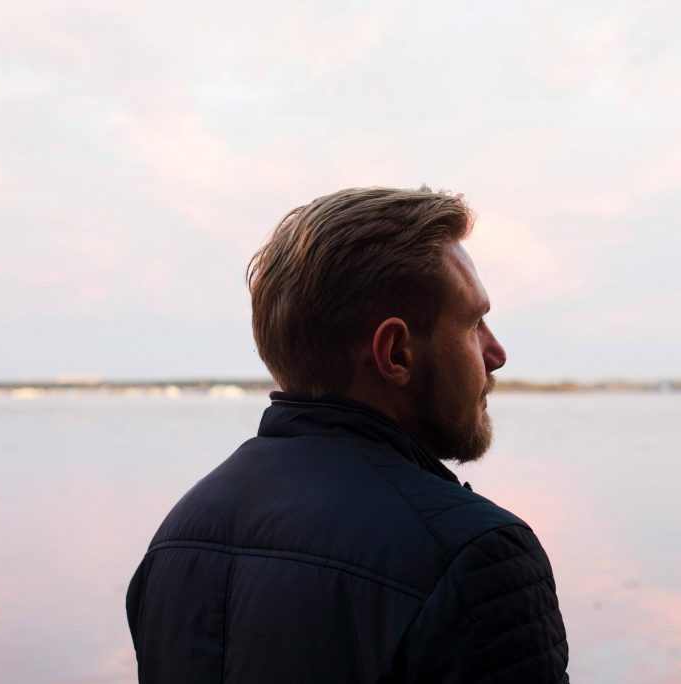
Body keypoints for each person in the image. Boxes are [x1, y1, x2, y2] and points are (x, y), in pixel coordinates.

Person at [126, 186, 569, 683]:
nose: (497, 353)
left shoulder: (177, 539)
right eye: (473, 324)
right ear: (396, 352)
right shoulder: (473, 559)